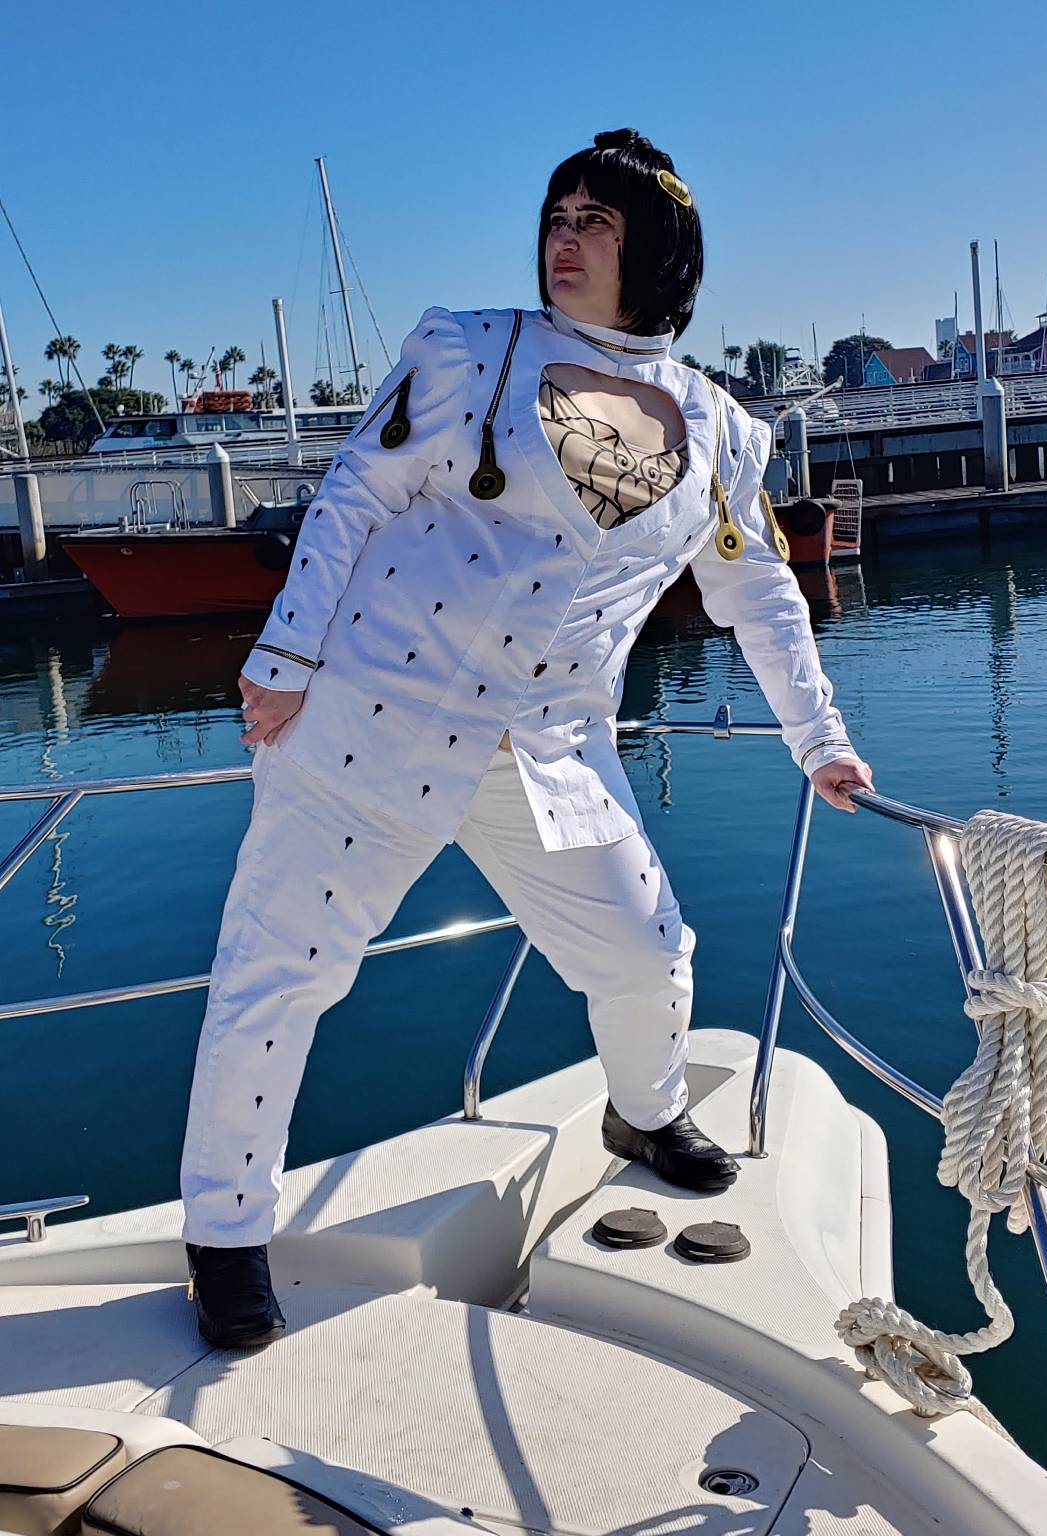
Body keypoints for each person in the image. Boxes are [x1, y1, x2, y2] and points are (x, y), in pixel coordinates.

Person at [180, 128, 874, 1348]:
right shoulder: (473, 354)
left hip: (551, 753)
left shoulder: (717, 433)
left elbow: (756, 592)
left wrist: (817, 743)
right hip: (372, 720)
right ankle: (227, 1238)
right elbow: (355, 490)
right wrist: (282, 660)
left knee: (649, 950)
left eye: (596, 222)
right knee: (278, 976)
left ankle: (643, 1114)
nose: (565, 237)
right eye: (557, 215)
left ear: (656, 247)